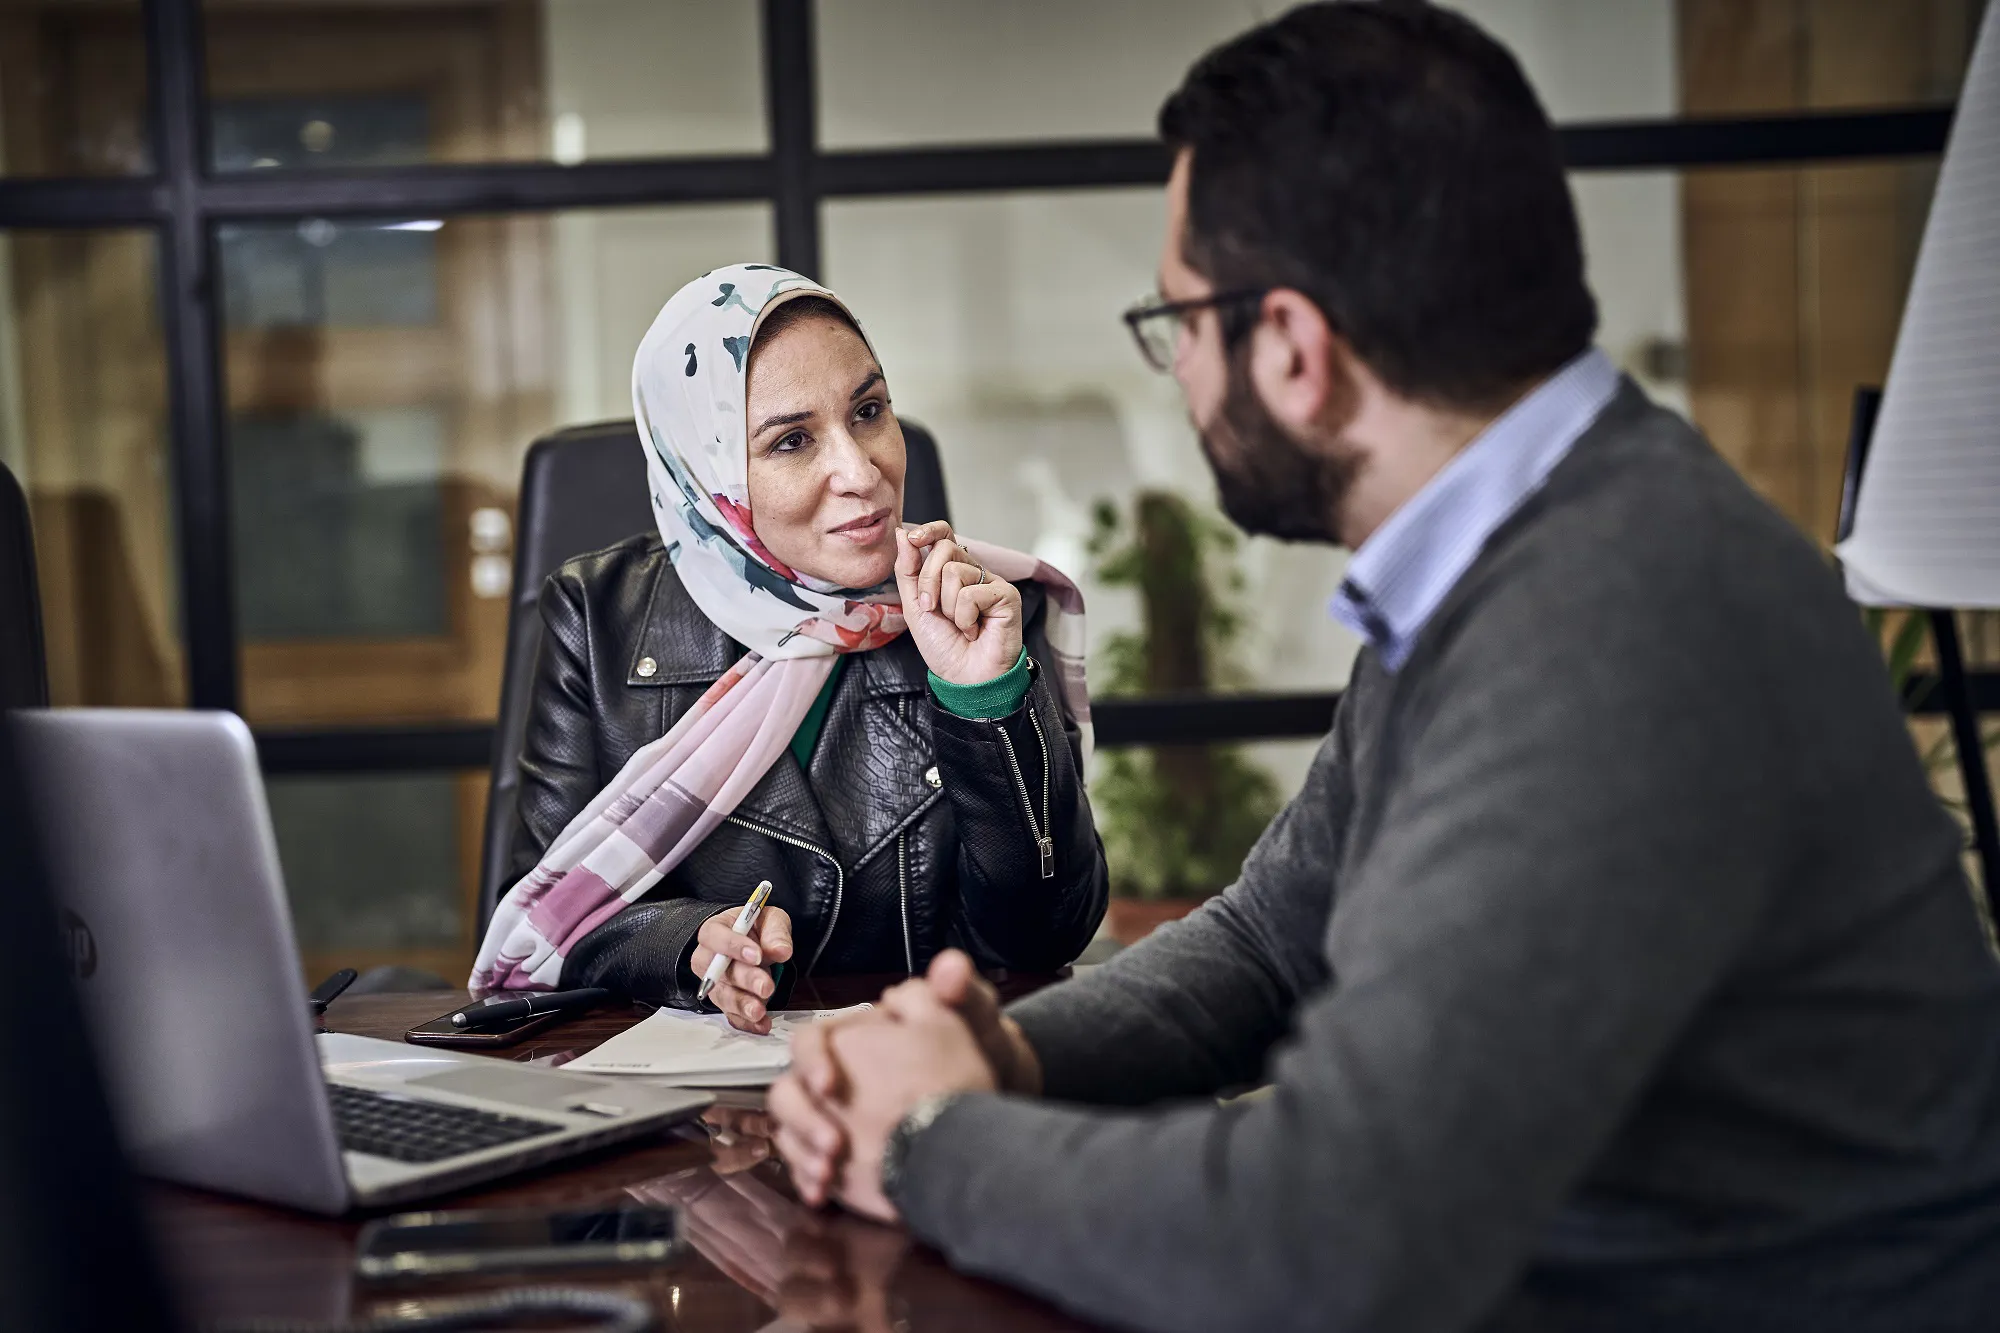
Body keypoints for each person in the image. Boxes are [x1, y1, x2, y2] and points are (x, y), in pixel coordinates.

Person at [767, 5, 2000, 1330]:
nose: (1177, 368)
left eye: (1177, 322)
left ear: (1292, 348)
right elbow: (1261, 947)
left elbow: (1332, 1231)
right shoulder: (1517, 556)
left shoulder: (1620, 610)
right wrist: (997, 1053)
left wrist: (928, 1138)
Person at [471, 264, 1108, 1032]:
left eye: (868, 410)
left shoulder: (984, 609)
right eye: (794, 440)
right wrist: (683, 944)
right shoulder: (595, 618)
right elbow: (545, 915)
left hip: (916, 1084)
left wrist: (984, 697)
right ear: (707, 477)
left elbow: (1042, 938)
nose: (861, 469)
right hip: (682, 1117)